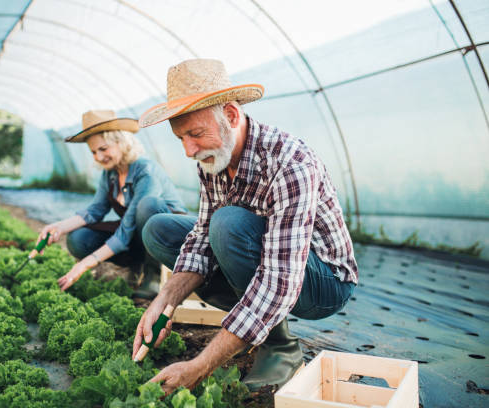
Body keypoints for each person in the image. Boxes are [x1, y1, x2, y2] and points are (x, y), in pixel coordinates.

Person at [133, 59, 358, 393]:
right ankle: (250, 324)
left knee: (228, 225)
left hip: (321, 280)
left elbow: (281, 279)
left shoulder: (291, 163)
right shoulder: (213, 157)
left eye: (195, 134)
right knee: (159, 230)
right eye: (181, 138)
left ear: (231, 116)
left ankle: (280, 348)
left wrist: (199, 366)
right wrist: (165, 300)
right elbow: (200, 239)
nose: (188, 150)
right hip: (267, 264)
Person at [37, 110, 186, 298]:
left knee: (148, 206)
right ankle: (136, 266)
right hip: (137, 234)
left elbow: (128, 226)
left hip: (171, 239)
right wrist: (58, 227)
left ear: (122, 142)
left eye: (103, 149)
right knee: (79, 239)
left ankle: (153, 275)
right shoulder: (110, 174)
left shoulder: (146, 171)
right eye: (93, 152)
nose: (98, 157)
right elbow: (94, 211)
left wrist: (86, 263)